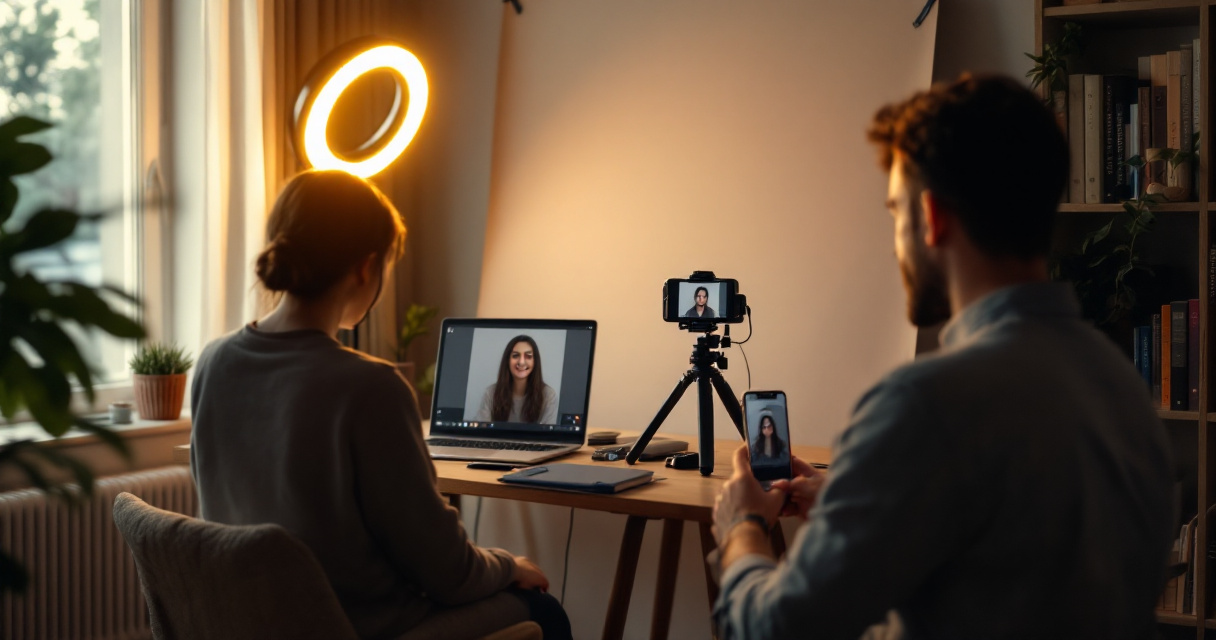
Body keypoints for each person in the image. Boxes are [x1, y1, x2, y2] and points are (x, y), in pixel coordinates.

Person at [711, 75, 1174, 639]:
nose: (895, 241)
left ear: (932, 217)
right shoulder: (1122, 388)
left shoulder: (923, 405)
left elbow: (775, 629)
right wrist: (858, 499)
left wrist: (742, 530)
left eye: (894, 213)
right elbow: (1021, 552)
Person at [190, 170, 572, 640]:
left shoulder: (212, 363)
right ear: (366, 268)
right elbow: (447, 573)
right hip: (359, 627)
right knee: (545, 612)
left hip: (251, 623)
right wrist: (506, 565)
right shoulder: (370, 386)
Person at [472, 335, 559, 424]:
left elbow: (546, 436)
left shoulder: (548, 396)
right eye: (515, 356)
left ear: (535, 361)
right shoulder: (491, 393)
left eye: (528, 356)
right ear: (507, 360)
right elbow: (481, 432)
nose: (521, 362)